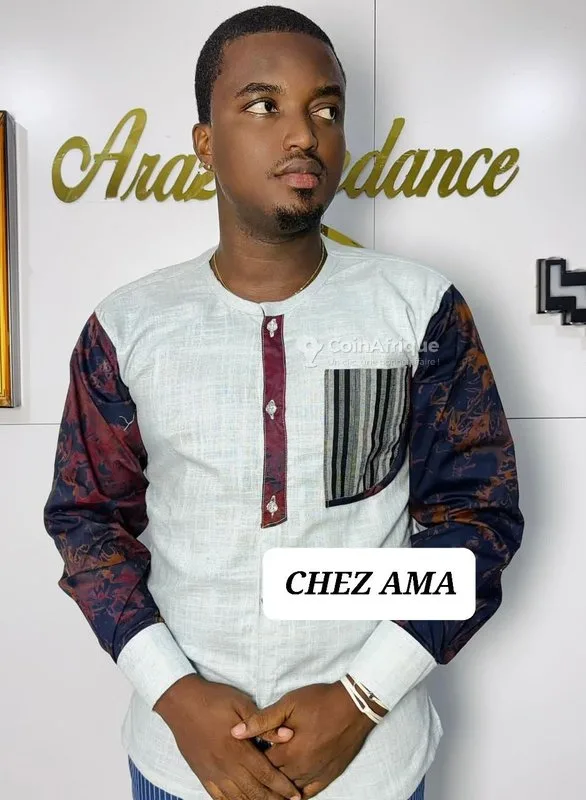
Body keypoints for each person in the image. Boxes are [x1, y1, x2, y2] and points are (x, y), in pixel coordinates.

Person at [42, 5, 524, 800]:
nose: (304, 134)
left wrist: (362, 698)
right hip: (183, 764)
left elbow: (478, 519)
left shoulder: (419, 309)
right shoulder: (127, 327)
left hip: (371, 760)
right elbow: (87, 523)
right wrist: (176, 696)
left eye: (326, 109)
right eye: (264, 105)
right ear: (205, 143)